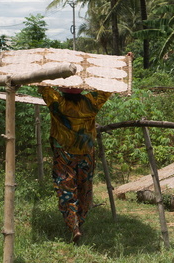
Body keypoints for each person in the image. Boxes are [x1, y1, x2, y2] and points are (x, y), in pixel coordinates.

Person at [38, 85, 112, 243]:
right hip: (86, 153)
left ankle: (74, 226)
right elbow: (106, 89)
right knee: (84, 188)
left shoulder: (58, 101)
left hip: (63, 153)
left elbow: (43, 88)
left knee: (66, 188)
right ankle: (80, 220)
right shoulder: (90, 102)